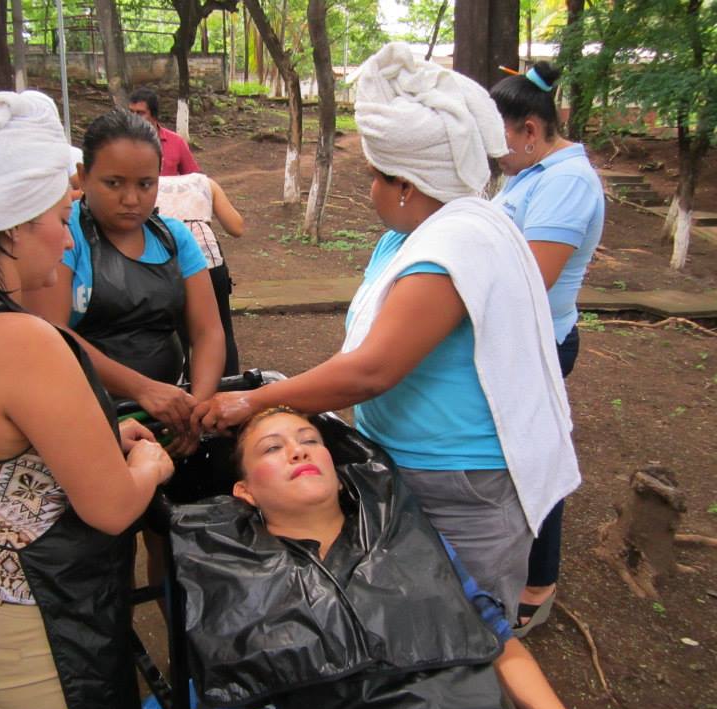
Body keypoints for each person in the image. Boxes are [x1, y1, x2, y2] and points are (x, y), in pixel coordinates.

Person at [194, 42, 581, 623]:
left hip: (463, 479)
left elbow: (372, 368)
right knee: (415, 619)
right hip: (409, 462)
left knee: (466, 626)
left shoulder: (455, 244)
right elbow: (364, 348)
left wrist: (256, 400)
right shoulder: (407, 238)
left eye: (374, 176)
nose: (369, 190)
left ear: (406, 184)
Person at [0, 90, 175, 709]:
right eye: (59, 213)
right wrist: (151, 465)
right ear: (13, 222)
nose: (67, 232)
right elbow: (111, 509)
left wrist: (109, 440)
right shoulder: (19, 338)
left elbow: (4, 457)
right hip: (43, 623)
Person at [171, 407, 573, 709]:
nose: (299, 450)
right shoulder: (235, 572)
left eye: (309, 439)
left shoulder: (404, 534)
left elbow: (496, 638)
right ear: (246, 491)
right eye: (272, 448)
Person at [24, 109, 225, 454]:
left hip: (163, 414)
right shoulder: (66, 232)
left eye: (145, 184)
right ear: (84, 177)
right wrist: (142, 389)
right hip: (82, 415)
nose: (131, 199)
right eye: (113, 183)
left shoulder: (175, 239)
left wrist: (194, 410)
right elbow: (51, 333)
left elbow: (208, 332)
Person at [491, 61, 605, 636]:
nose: (497, 155)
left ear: (529, 131)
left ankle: (540, 579)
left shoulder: (567, 183)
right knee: (511, 452)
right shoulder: (530, 174)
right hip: (514, 341)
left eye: (501, 141)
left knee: (535, 455)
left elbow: (531, 277)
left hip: (541, 343)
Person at [156, 172, 244, 376]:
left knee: (175, 333)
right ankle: (230, 386)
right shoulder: (205, 183)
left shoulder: (138, 185)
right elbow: (236, 227)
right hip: (208, 261)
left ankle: (182, 388)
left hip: (164, 263)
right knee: (220, 329)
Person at [129, 86, 200, 176]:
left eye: (140, 113)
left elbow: (195, 178)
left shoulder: (176, 142)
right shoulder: (121, 142)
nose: (134, 117)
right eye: (131, 112)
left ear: (154, 115)